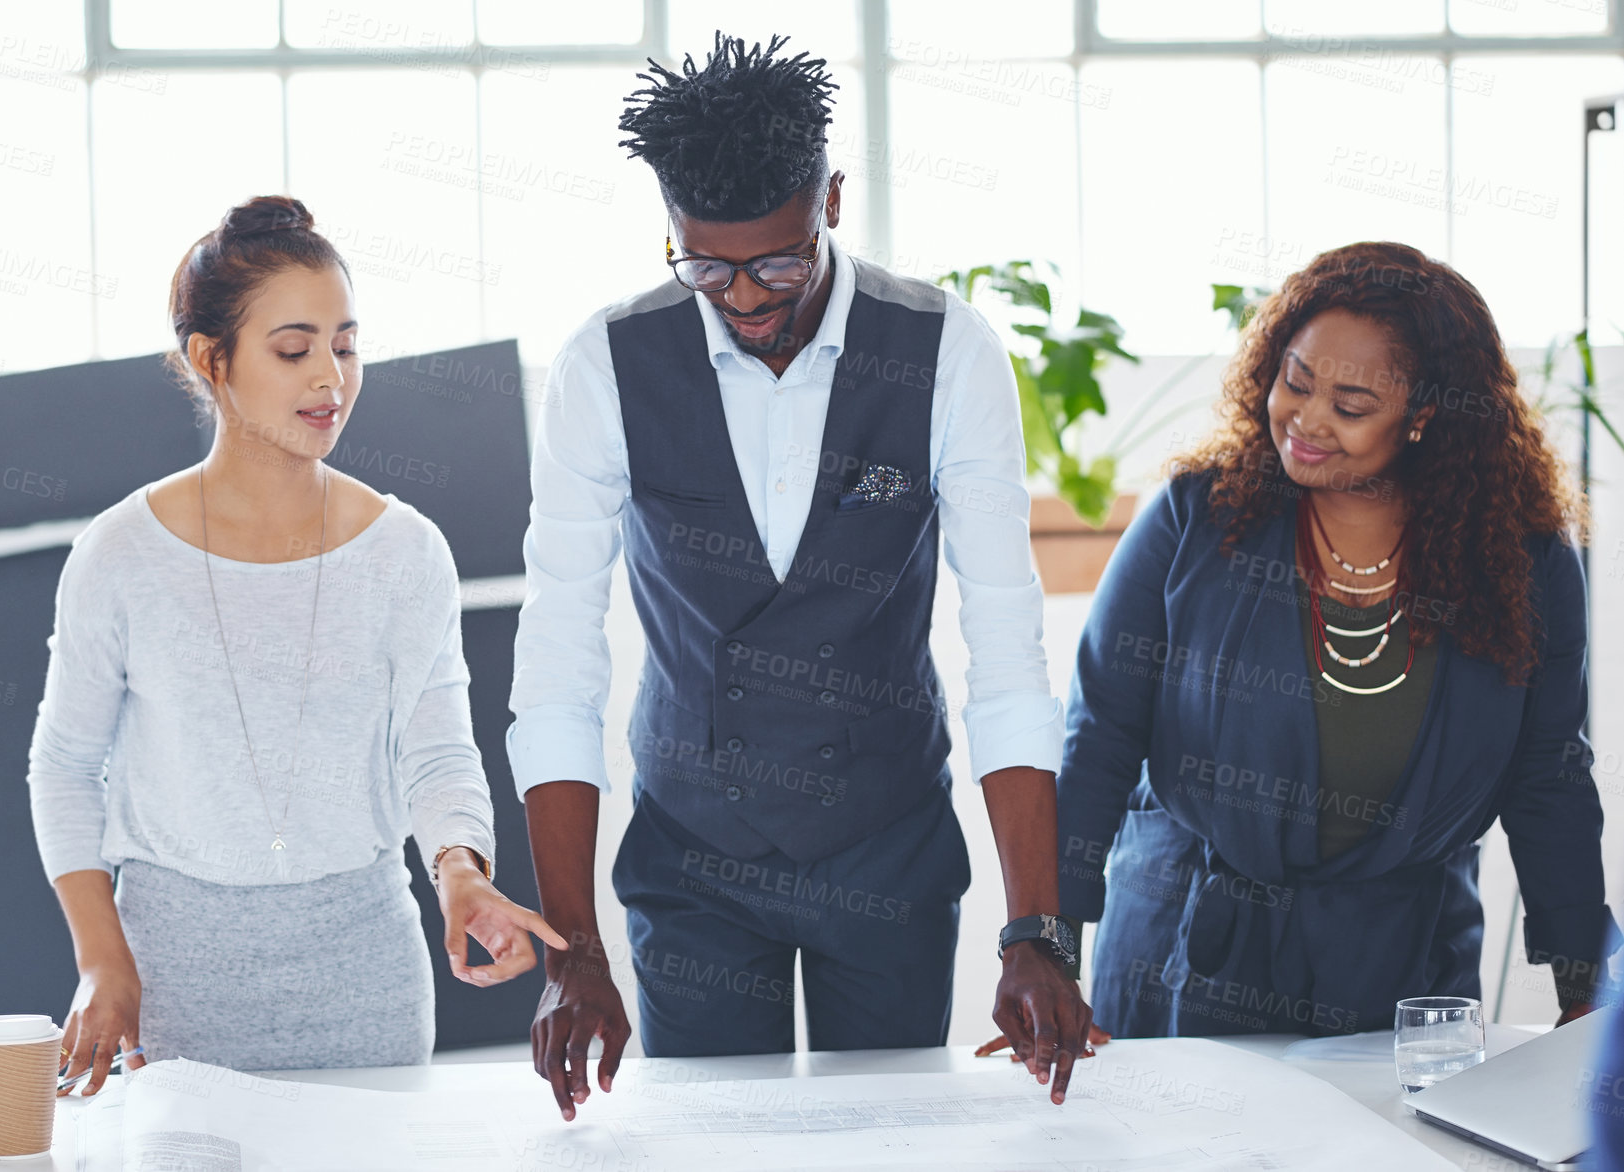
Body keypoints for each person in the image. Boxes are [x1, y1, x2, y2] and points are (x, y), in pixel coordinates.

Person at [508, 31, 1094, 1121]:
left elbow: (1007, 651)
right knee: (711, 1143)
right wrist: (569, 947)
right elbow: (556, 662)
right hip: (693, 855)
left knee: (890, 1141)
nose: (742, 297)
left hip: (885, 846)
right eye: (704, 265)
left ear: (829, 199)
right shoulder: (607, 364)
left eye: (777, 262)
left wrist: (1035, 931)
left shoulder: (943, 351)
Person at [27, 195, 563, 1093]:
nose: (331, 377)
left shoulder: (406, 550)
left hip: (366, 973)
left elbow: (434, 752)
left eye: (345, 346)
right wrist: (101, 962)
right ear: (212, 359)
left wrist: (460, 873)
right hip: (173, 977)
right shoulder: (119, 554)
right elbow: (66, 768)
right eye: (293, 348)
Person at [1048, 240, 1613, 1038]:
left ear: (1424, 416)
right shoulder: (1194, 519)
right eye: (1294, 381)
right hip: (1185, 949)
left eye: (1351, 406)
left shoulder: (1522, 562)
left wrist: (1583, 983)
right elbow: (1097, 738)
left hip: (1399, 968)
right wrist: (1046, 940)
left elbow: (1548, 778)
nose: (1306, 421)